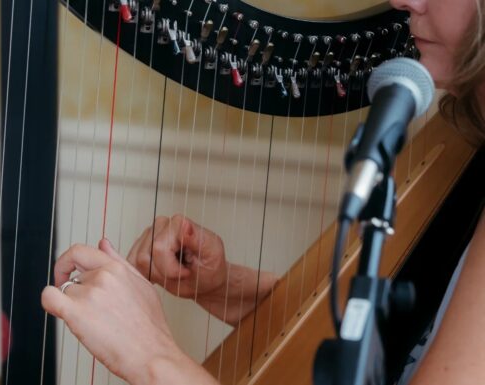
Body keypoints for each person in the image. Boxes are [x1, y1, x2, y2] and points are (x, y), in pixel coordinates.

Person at [41, 0, 485, 384]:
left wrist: (151, 356)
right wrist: (222, 286)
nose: (404, 2)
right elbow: (407, 333)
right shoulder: (468, 141)